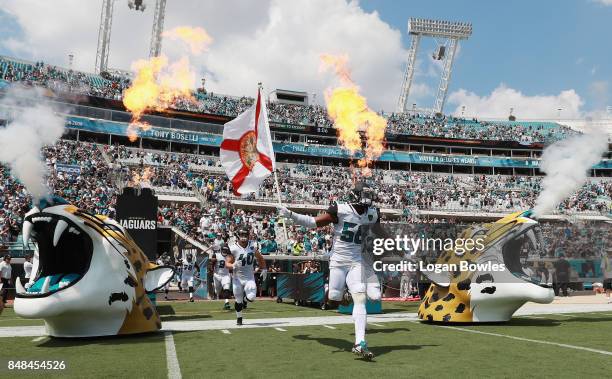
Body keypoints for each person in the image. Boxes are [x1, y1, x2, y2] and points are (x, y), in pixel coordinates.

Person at [278, 181, 383, 360]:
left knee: (360, 297)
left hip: (356, 262)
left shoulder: (372, 214)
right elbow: (313, 223)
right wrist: (291, 215)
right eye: (364, 195)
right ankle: (338, 293)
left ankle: (360, 343)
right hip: (338, 261)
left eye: (368, 196)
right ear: (354, 196)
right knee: (334, 297)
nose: (367, 200)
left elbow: (379, 232)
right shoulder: (340, 210)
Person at [226, 228, 266, 326]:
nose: (244, 237)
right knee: (238, 300)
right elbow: (227, 263)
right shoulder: (233, 247)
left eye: (245, 235)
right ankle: (239, 317)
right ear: (238, 236)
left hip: (249, 277)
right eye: (242, 235)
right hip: (237, 279)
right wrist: (232, 265)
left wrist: (264, 268)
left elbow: (260, 258)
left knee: (251, 297)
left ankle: (245, 300)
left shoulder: (253, 246)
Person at [210, 245, 232, 310]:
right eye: (224, 250)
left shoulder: (230, 256)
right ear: (221, 250)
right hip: (217, 275)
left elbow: (232, 265)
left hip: (226, 275)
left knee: (226, 288)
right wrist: (211, 266)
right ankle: (216, 294)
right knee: (217, 290)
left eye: (226, 250)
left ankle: (227, 303)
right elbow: (212, 264)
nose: (225, 251)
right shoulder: (216, 255)